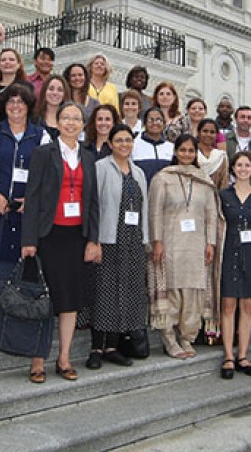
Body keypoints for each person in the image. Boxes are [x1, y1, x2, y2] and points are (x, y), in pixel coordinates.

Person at [22, 102, 102, 383]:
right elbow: (32, 199)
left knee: (69, 301)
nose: (70, 123)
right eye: (65, 118)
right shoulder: (44, 153)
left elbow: (93, 203)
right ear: (57, 122)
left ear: (83, 124)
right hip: (48, 236)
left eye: (76, 119)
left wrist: (93, 239)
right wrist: (29, 239)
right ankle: (38, 359)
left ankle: (64, 357)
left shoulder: (89, 157)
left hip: (76, 238)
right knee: (44, 300)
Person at [0, 83, 48, 346]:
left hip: (26, 212)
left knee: (18, 266)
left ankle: (14, 322)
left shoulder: (41, 135)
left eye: (21, 102)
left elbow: (47, 172)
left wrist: (32, 201)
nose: (15, 106)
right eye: (11, 102)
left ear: (28, 106)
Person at [148, 135, 221, 359]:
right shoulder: (163, 178)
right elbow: (155, 211)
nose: (187, 155)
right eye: (183, 150)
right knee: (172, 290)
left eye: (191, 151)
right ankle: (169, 339)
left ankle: (187, 337)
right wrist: (156, 240)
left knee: (193, 292)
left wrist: (211, 242)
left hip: (197, 244)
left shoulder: (204, 180)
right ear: (176, 152)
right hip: (170, 244)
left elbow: (211, 214)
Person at [86, 125, 150, 369]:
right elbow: (94, 206)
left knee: (125, 295)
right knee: (104, 293)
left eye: (128, 140)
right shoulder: (101, 168)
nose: (124, 144)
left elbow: (143, 209)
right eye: (119, 140)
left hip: (132, 242)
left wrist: (146, 239)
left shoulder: (139, 173)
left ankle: (112, 347)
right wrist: (95, 240)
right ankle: (95, 348)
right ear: (110, 144)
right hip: (109, 240)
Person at [217, 151, 251, 379]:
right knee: (228, 307)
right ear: (233, 168)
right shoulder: (223, 195)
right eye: (239, 165)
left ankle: (243, 356)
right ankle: (229, 356)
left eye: (247, 165)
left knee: (247, 308)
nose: (243, 169)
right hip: (229, 256)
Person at [0, 47, 30, 124]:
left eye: (11, 60)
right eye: (3, 60)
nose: (7, 62)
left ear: (19, 64)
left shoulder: (25, 87)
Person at [131, 107, 173, 185]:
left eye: (158, 120)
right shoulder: (134, 146)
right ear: (145, 124)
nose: (155, 123)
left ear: (164, 123)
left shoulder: (171, 148)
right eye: (151, 120)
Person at [225, 106, 251, 178]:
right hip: (228, 185)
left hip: (250, 185)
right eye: (242, 117)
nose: (246, 120)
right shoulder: (225, 139)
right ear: (236, 119)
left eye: (249, 118)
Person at [195, 118, 229, 191]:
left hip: (215, 198)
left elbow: (224, 182)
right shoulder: (191, 153)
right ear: (198, 133)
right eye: (205, 131)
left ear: (216, 135)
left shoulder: (221, 156)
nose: (208, 134)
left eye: (212, 132)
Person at [34, 74, 69, 140]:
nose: (55, 93)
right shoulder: (33, 119)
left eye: (60, 90)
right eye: (51, 89)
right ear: (44, 91)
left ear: (64, 94)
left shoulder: (71, 121)